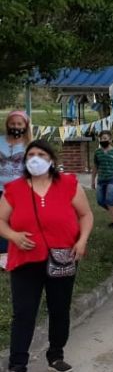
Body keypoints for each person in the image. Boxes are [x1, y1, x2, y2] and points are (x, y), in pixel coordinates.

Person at [0, 141, 93, 372]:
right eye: (30, 154)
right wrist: (13, 236)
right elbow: (1, 220)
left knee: (59, 308)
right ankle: (17, 368)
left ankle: (56, 355)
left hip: (62, 257)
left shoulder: (69, 184)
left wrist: (82, 241)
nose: (35, 158)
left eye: (41, 154)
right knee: (24, 312)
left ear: (51, 159)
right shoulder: (14, 189)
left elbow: (86, 215)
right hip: (25, 260)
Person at [0, 111, 32, 270]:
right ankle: (3, 254)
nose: (16, 126)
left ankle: (17, 251)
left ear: (25, 126)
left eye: (19, 124)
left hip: (19, 190)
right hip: (0, 188)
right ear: (7, 124)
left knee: (15, 221)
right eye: (13, 123)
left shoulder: (29, 145)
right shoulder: (0, 141)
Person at [91, 130, 113, 228]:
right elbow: (95, 167)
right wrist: (93, 180)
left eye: (105, 138)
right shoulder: (97, 152)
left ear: (110, 139)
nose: (103, 140)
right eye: (101, 138)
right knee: (100, 201)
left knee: (109, 199)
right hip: (101, 180)